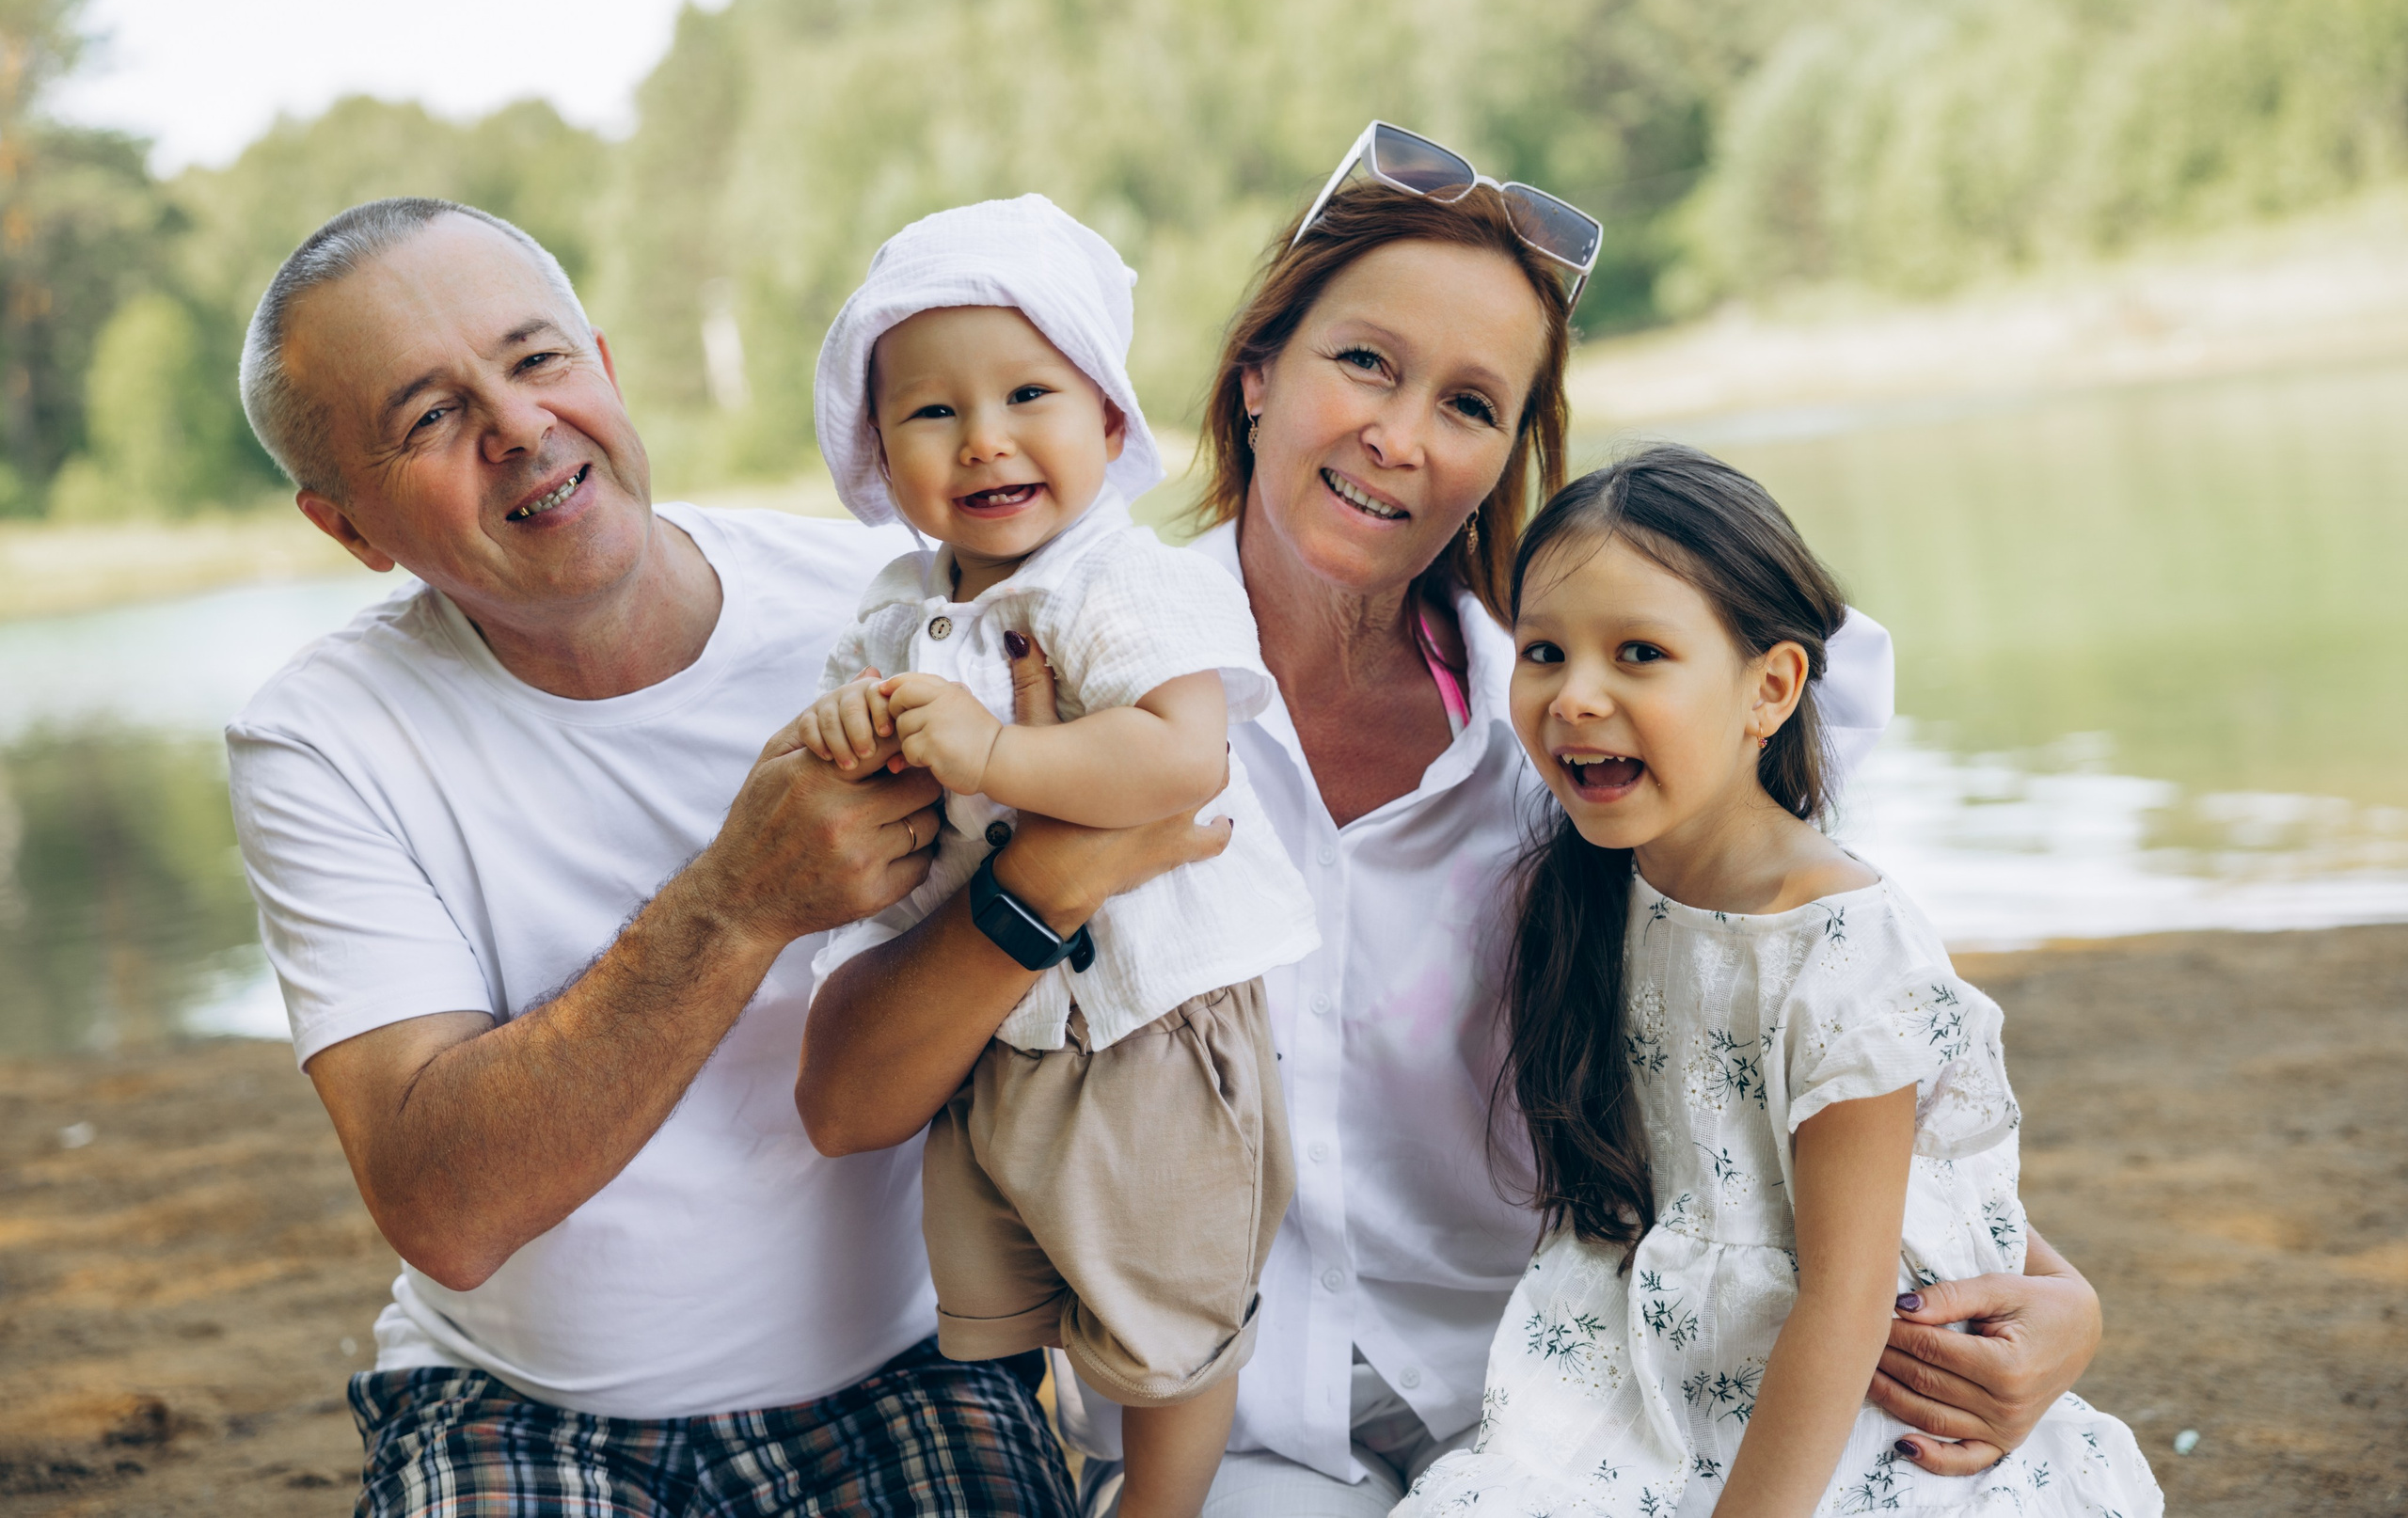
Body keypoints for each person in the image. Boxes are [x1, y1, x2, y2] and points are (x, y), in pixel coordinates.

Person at [800, 123, 2110, 1515]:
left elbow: (1788, 1024)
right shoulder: (1023, 675)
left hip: (1574, 1408)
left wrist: (2055, 1291)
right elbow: (848, 1096)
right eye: (1364, 361)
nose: (1400, 435)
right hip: (1232, 1436)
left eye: (1472, 404)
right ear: (1253, 376)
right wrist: (1051, 869)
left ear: (1507, 455)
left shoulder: (1572, 730)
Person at [224, 195, 1220, 1516]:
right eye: (429, 417)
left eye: (536, 361)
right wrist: (735, 901)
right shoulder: (322, 735)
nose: (518, 427)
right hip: (525, 1400)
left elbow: (1175, 814)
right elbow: (446, 1209)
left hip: (910, 1359)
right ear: (348, 528)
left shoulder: (899, 610)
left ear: (607, 367)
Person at [1391, 448, 2162, 1518]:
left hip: (1841, 1391)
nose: (1575, 697)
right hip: (1666, 1366)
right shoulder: (1596, 891)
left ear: (1770, 687)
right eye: (1543, 652)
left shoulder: (1837, 945)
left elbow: (1849, 1295)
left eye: (1639, 654)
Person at [793, 195, 1320, 1518]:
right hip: (999, 1030)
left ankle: (1161, 1505)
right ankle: (1069, 1475)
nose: (985, 439)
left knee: (1171, 1306)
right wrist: (855, 725)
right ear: (878, 449)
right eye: (931, 412)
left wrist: (991, 756)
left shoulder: (1120, 582)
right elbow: (859, 755)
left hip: (1149, 1019)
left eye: (1029, 391)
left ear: (1107, 422)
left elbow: (1179, 754)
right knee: (1009, 1289)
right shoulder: (903, 611)